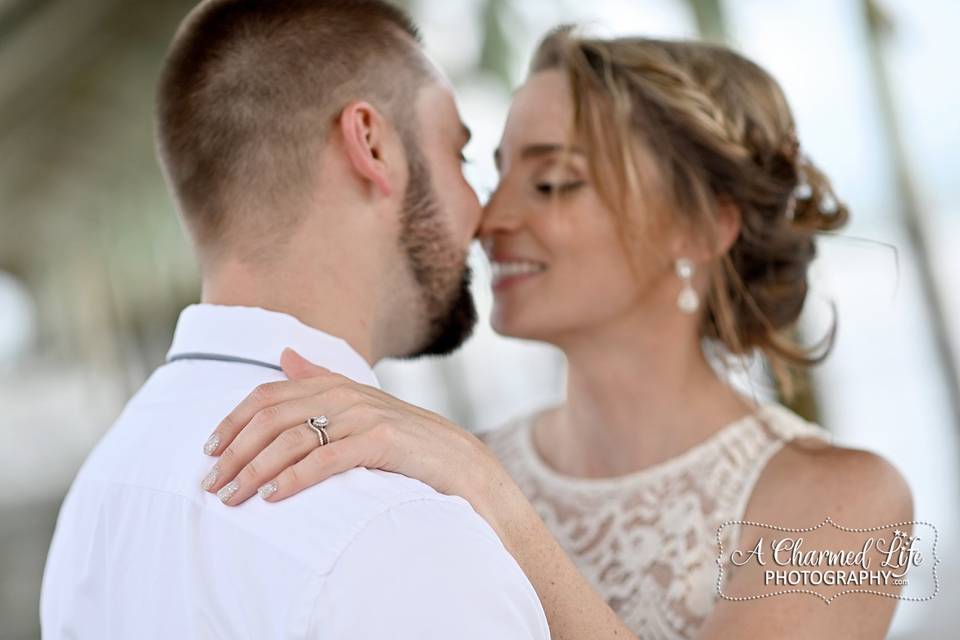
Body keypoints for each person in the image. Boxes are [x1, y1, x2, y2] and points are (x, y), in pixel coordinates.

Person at [201, 27, 915, 640]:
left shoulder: (845, 503)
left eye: (551, 183)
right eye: (497, 172)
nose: (489, 217)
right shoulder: (449, 468)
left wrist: (491, 492)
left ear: (700, 226)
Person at [38, 1, 551, 638]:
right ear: (371, 144)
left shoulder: (100, 495)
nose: (482, 210)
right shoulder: (397, 530)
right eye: (461, 157)